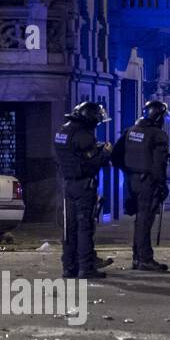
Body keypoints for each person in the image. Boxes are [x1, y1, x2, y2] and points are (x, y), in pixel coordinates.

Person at [53, 101, 112, 280]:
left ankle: (69, 267)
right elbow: (91, 164)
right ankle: (86, 267)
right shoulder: (84, 135)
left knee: (69, 228)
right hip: (83, 185)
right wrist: (105, 153)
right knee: (84, 226)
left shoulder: (62, 131)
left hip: (67, 184)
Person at [112, 99, 170, 272]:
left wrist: (129, 172)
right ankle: (144, 258)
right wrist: (162, 184)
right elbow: (159, 164)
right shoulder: (158, 135)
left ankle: (138, 257)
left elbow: (116, 156)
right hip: (148, 182)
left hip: (131, 181)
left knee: (140, 221)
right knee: (145, 220)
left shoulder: (130, 131)